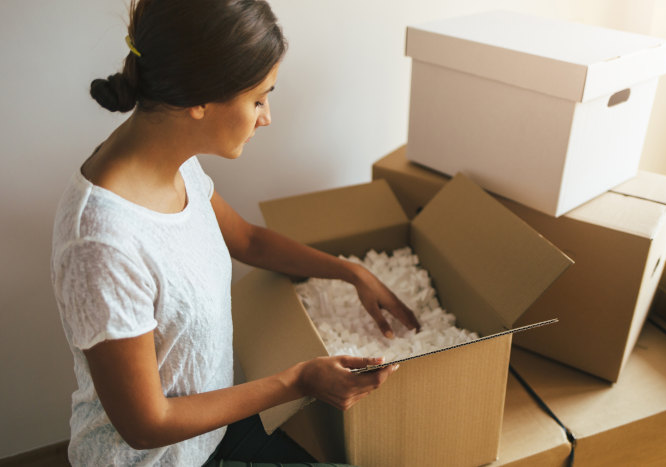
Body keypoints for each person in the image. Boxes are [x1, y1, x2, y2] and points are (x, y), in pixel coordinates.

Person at [50, 0, 421, 465]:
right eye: (258, 99)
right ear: (200, 99)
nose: (267, 117)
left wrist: (349, 272)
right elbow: (147, 425)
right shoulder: (101, 243)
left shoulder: (172, 155)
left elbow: (246, 240)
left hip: (216, 422)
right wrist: (298, 381)